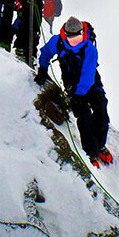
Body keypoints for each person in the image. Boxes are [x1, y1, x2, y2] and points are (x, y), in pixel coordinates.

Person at [35, 16, 112, 168]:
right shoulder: (57, 42)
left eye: (79, 38)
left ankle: (100, 145)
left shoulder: (89, 48)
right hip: (72, 86)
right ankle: (91, 152)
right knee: (83, 116)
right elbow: (45, 53)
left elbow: (88, 75)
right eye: (73, 39)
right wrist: (42, 69)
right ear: (66, 36)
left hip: (91, 84)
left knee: (101, 110)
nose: (77, 42)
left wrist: (79, 95)